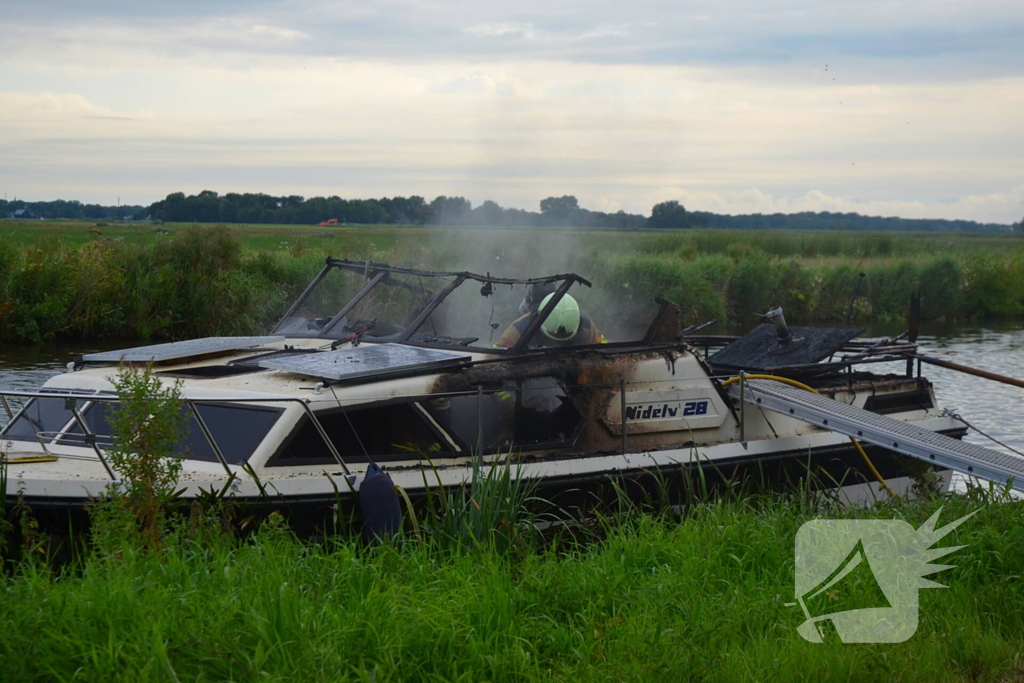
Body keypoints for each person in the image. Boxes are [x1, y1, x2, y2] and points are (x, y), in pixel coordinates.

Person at [496, 292, 605, 348]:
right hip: (530, 387)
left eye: (565, 336)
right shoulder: (519, 331)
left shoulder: (587, 328)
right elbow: (492, 362)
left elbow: (606, 353)